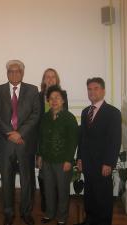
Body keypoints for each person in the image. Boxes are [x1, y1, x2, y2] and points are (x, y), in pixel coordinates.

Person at [0, 60, 41, 225]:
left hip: (25, 142)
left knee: (27, 180)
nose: (14, 74)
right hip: (6, 143)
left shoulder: (33, 90)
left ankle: (26, 212)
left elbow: (36, 114)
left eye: (17, 71)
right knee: (6, 180)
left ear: (22, 73)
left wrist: (20, 133)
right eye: (10, 71)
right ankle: (8, 213)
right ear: (7, 73)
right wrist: (9, 133)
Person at [75, 77, 122, 225]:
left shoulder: (113, 112)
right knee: (89, 194)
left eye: (96, 88)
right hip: (88, 162)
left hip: (103, 163)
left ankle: (103, 222)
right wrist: (80, 158)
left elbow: (115, 140)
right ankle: (89, 220)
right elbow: (82, 138)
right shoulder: (85, 112)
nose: (92, 92)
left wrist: (109, 163)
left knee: (103, 197)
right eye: (89, 89)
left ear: (103, 91)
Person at [37, 86, 78, 225]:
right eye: (51, 98)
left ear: (63, 101)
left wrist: (68, 160)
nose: (54, 100)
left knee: (62, 190)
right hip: (47, 160)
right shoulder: (45, 117)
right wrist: (40, 156)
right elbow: (41, 138)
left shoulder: (69, 118)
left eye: (57, 98)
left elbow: (73, 142)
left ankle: (62, 217)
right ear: (48, 100)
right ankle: (49, 213)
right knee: (48, 189)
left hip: (62, 161)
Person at [38, 68, 68, 212]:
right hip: (42, 141)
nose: (50, 79)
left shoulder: (63, 95)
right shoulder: (38, 96)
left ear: (57, 80)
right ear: (44, 80)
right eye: (47, 77)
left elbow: (64, 119)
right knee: (43, 176)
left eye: (53, 77)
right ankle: (47, 205)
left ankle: (57, 207)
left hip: (57, 144)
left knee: (58, 178)